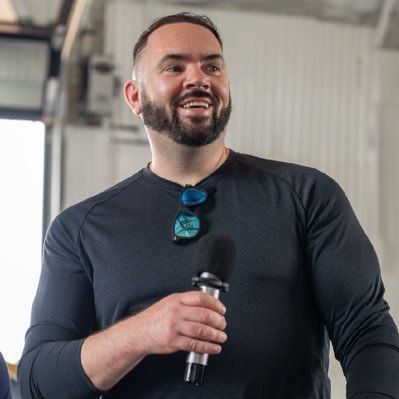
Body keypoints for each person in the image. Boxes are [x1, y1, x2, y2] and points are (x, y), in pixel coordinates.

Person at [18, 12, 399, 399]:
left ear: (227, 87)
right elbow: (39, 381)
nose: (198, 78)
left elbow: (368, 332)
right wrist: (141, 332)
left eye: (212, 66)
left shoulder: (307, 196)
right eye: (175, 66)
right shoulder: (80, 229)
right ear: (135, 97)